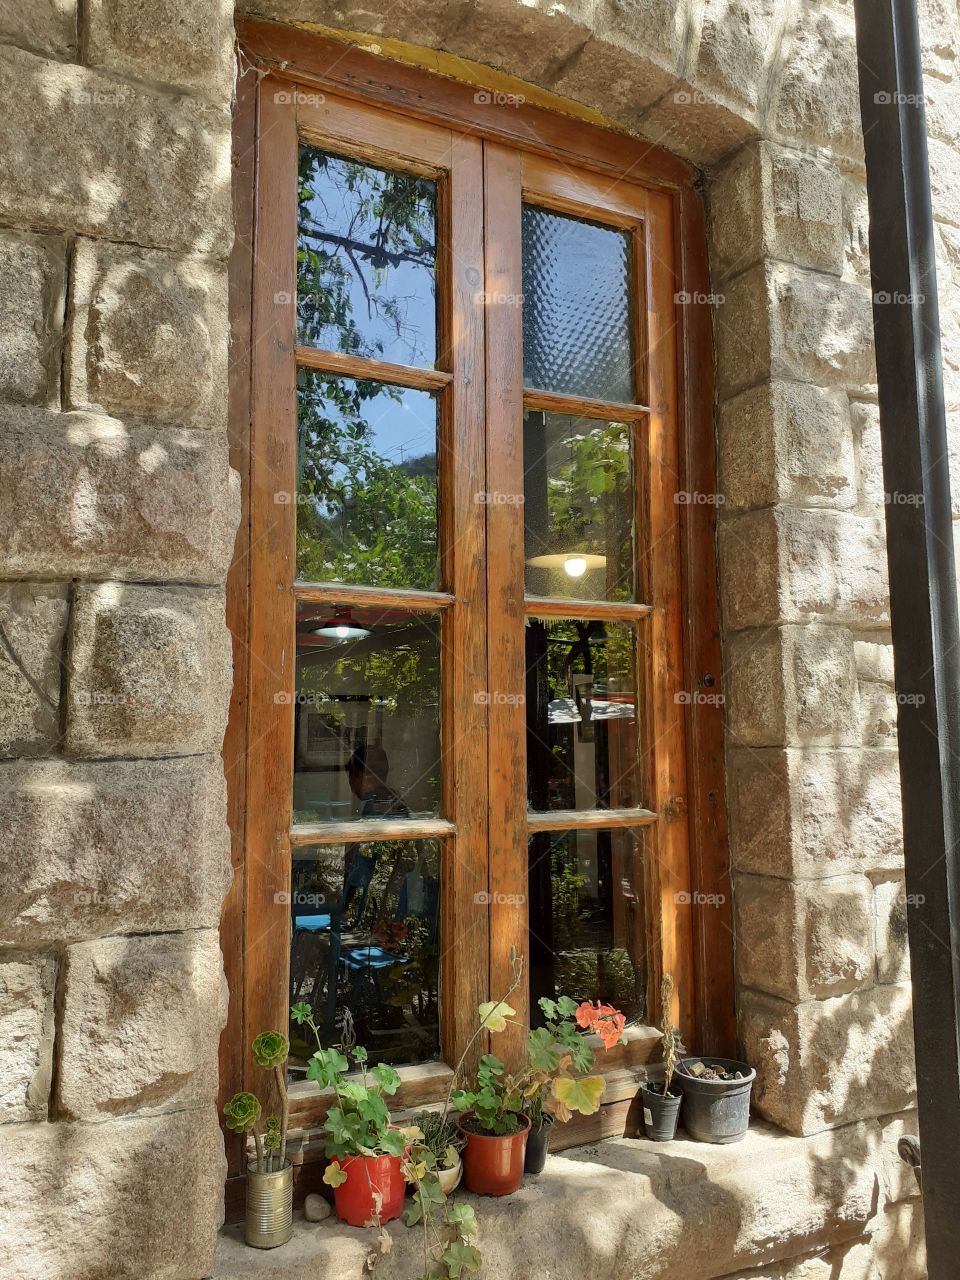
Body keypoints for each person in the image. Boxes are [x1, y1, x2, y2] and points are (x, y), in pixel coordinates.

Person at [342, 743, 409, 919]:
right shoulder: (395, 800)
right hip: (395, 896)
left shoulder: (372, 809)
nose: (351, 785)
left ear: (361, 775)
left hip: (375, 904)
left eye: (351, 778)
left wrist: (345, 899)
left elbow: (361, 869)